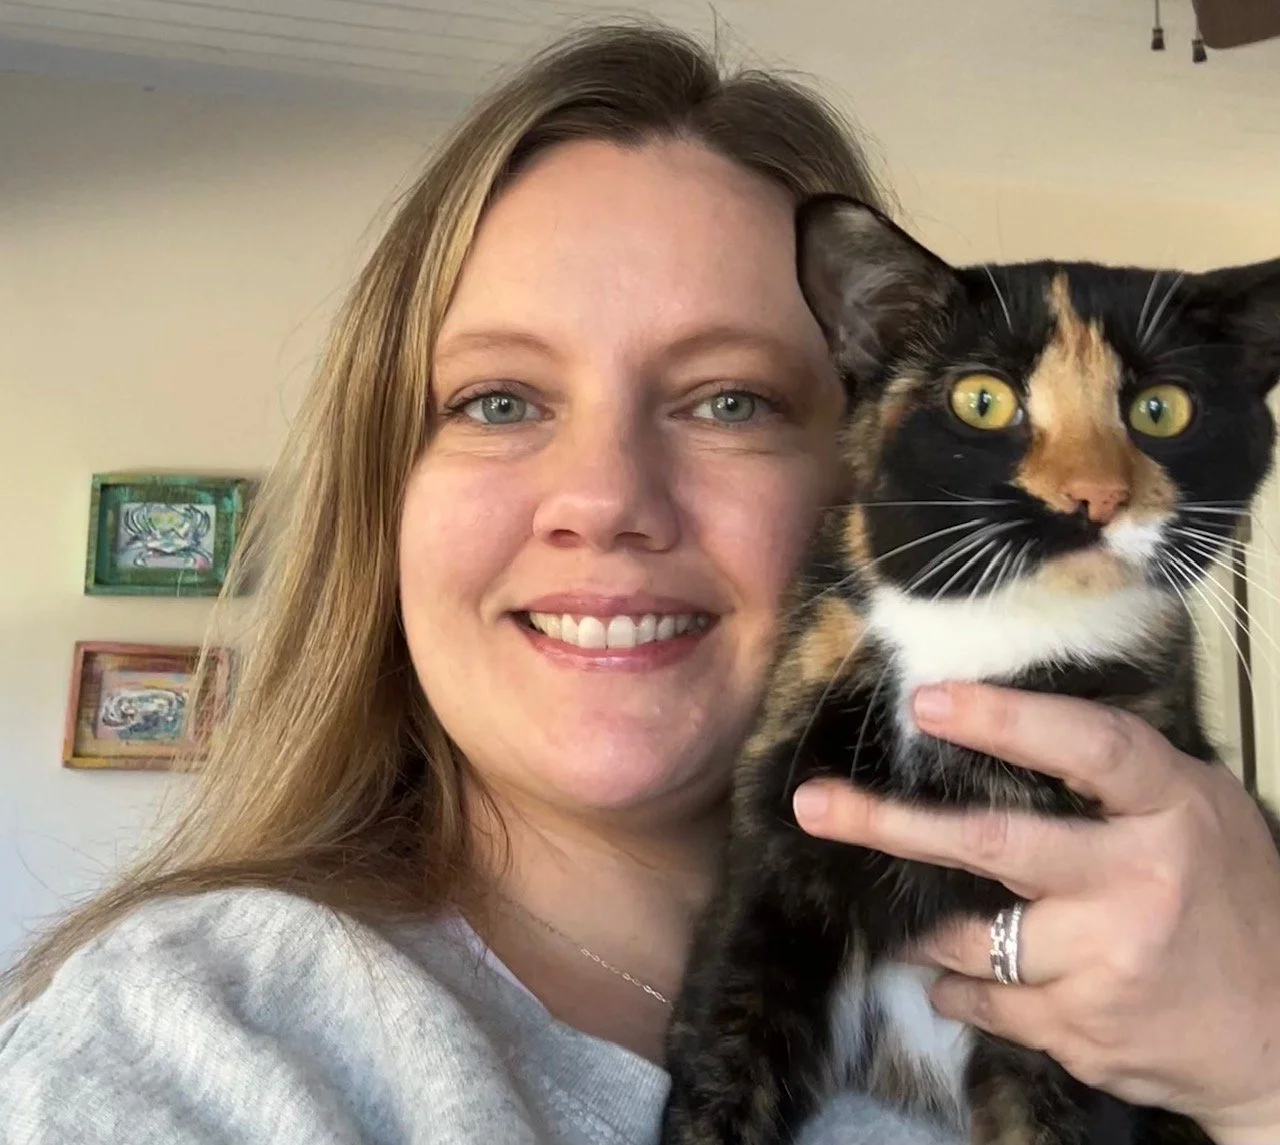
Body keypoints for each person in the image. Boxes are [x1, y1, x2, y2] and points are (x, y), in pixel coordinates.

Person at [3, 20, 1280, 1145]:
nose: (605, 496)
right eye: (497, 400)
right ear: (384, 493)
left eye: (729, 400)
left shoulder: (1210, 999)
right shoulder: (199, 1037)